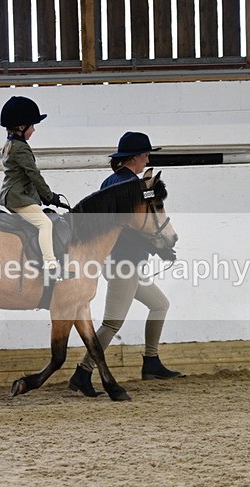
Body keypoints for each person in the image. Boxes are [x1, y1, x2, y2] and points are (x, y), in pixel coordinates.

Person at [68, 131, 184, 397]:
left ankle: (151, 362)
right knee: (112, 323)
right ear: (135, 157)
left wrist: (157, 246)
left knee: (159, 304)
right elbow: (124, 228)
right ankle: (82, 373)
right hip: (122, 262)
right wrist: (156, 247)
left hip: (125, 261)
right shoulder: (127, 185)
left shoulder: (118, 180)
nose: (147, 159)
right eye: (145, 155)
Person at [0, 96, 67, 275]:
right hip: (18, 198)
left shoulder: (10, 144)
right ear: (21, 127)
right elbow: (33, 174)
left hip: (13, 195)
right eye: (32, 126)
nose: (34, 130)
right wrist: (49, 195)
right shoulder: (21, 148)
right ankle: (50, 265)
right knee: (45, 224)